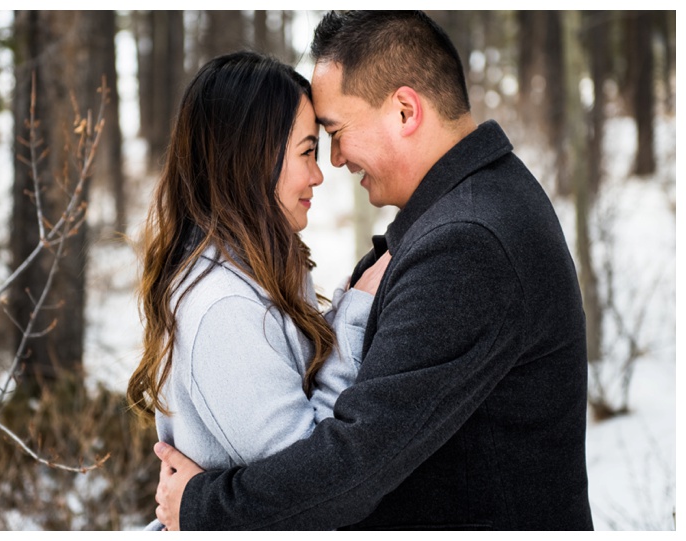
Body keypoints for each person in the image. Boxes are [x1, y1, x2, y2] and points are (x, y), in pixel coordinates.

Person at [153, 11, 593, 531]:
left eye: (335, 132)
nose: (334, 161)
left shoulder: (469, 242)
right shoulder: (469, 209)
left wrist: (203, 508)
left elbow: (349, 467)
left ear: (405, 111)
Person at [126, 51, 391, 530]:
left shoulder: (261, 270)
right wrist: (352, 320)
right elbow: (312, 483)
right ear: (252, 158)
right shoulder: (222, 307)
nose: (318, 174)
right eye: (307, 151)